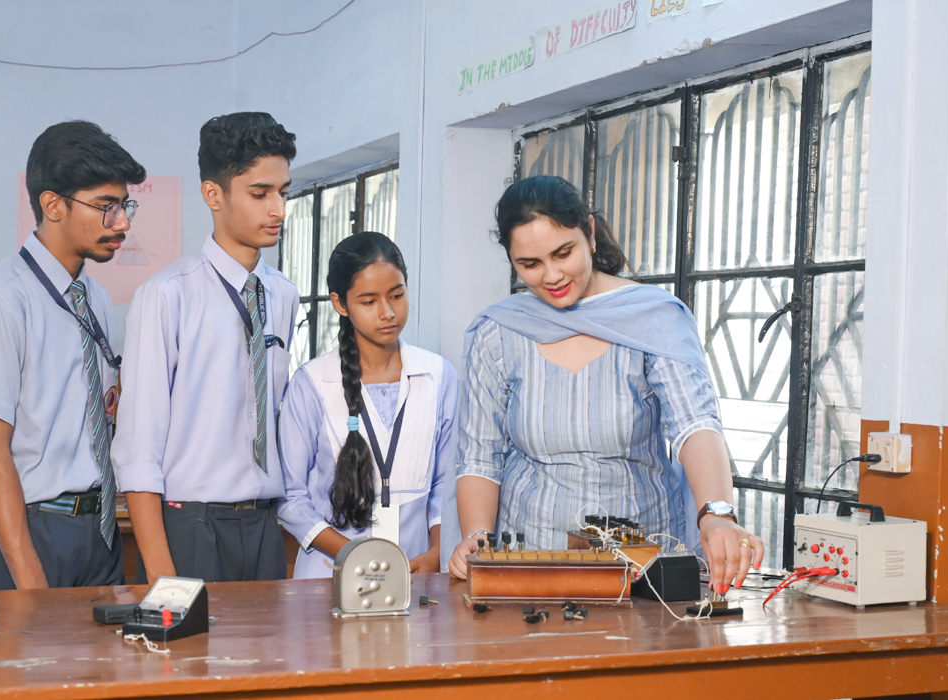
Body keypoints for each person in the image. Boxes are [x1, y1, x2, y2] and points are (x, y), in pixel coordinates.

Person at [448, 176, 765, 596]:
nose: (552, 275)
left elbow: (695, 424)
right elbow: (479, 457)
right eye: (530, 264)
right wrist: (477, 538)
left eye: (564, 253)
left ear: (591, 234)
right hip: (531, 565)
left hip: (644, 567)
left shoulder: (653, 318)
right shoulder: (500, 331)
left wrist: (717, 515)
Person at [0, 121, 145, 590]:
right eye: (106, 206)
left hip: (97, 528)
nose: (122, 223)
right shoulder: (0, 300)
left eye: (124, 206)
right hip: (26, 530)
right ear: (53, 205)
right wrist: (31, 581)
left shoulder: (95, 298)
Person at [114, 112, 299, 584]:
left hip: (264, 524)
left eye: (283, 192)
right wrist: (161, 572)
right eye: (260, 193)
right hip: (190, 525)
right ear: (213, 195)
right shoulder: (167, 295)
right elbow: (138, 447)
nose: (278, 209)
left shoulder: (282, 294)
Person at [278, 232, 456, 578]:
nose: (388, 313)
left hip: (414, 575)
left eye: (397, 295)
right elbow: (290, 497)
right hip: (330, 574)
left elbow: (445, 485)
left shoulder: (438, 376)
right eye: (369, 301)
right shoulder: (312, 383)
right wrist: (353, 553)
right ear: (340, 304)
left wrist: (437, 552)